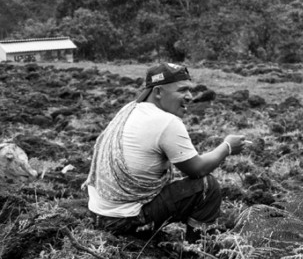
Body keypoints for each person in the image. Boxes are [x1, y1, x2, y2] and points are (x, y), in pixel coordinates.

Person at [85, 62, 246, 239]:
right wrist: (227, 147)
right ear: (158, 92)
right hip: (123, 219)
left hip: (98, 214)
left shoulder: (129, 109)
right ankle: (197, 253)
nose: (190, 96)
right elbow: (197, 169)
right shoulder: (165, 121)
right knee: (207, 186)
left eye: (189, 90)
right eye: (182, 90)